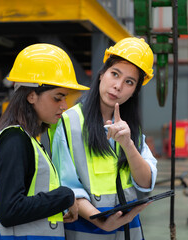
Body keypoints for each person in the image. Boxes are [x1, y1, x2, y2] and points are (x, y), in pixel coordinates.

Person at [0, 43, 89, 239]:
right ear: (31, 96)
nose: (64, 105)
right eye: (58, 98)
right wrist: (65, 196)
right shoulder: (15, 140)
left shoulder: (29, 141)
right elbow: (10, 210)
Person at [51, 37, 157, 240]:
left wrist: (128, 145)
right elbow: (67, 185)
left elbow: (145, 182)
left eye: (129, 82)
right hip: (88, 229)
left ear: (135, 91)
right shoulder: (70, 122)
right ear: (101, 75)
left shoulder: (130, 127)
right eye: (114, 74)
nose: (118, 86)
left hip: (128, 229)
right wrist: (101, 222)